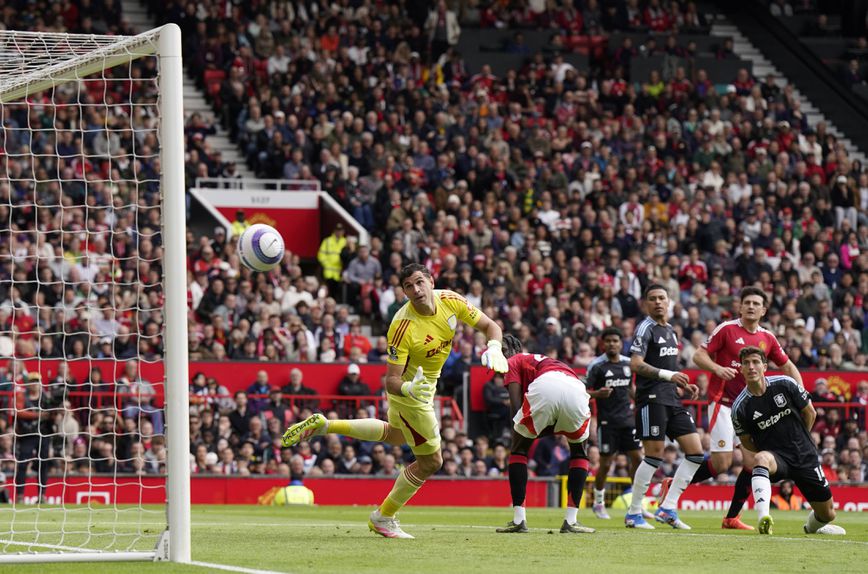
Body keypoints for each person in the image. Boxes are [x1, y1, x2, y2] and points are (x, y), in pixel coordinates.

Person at [281, 263, 508, 538]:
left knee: (397, 436)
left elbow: (489, 325)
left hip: (426, 386)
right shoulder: (402, 326)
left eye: (419, 282)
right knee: (431, 462)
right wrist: (410, 389)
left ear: (431, 281)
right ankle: (384, 516)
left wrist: (494, 346)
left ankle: (326, 426)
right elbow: (390, 380)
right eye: (408, 286)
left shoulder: (451, 300)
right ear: (403, 292)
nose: (416, 290)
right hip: (410, 394)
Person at [689, 286, 804, 530]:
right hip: (723, 402)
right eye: (747, 302)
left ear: (764, 310)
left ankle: (731, 518)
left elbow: (788, 367)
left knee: (752, 465)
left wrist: (802, 393)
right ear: (740, 306)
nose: (751, 306)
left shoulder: (768, 338)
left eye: (756, 303)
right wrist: (717, 369)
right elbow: (698, 356)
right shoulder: (726, 329)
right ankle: (677, 482)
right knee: (722, 464)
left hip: (750, 410)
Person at [732, 346, 845, 535]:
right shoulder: (740, 407)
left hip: (803, 454)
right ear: (741, 369)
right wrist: (765, 450)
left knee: (828, 514)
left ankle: (811, 528)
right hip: (777, 458)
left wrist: (800, 438)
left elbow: (810, 412)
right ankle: (763, 518)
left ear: (764, 367)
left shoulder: (785, 384)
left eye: (755, 362)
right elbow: (746, 441)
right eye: (746, 363)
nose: (751, 367)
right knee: (760, 458)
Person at [495, 335, 596, 534]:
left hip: (547, 386)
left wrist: (526, 434)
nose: (499, 356)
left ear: (515, 348)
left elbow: (515, 410)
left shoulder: (513, 361)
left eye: (502, 350)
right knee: (579, 453)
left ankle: (519, 520)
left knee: (518, 449)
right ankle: (571, 521)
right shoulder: (542, 360)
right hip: (576, 387)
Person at [626, 284, 702, 530]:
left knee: (696, 453)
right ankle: (634, 513)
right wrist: (670, 376)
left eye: (662, 298)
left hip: (672, 398)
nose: (658, 302)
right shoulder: (645, 328)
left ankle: (668, 508)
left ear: (669, 302)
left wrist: (682, 385)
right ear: (646, 304)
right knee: (654, 456)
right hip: (651, 400)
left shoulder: (671, 331)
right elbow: (636, 364)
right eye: (653, 299)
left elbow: (667, 367)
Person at [586, 327, 643, 520]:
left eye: (615, 341)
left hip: (628, 420)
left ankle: (636, 504)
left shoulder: (628, 364)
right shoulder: (597, 366)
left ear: (621, 343)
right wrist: (596, 394)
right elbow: (582, 390)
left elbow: (629, 388)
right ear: (603, 344)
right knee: (606, 464)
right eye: (608, 341)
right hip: (607, 422)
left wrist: (641, 401)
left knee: (638, 459)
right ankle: (599, 502)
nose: (612, 344)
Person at [14, 373, 53, 503]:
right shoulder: (21, 396)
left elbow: (52, 414)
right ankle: (20, 496)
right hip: (27, 435)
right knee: (22, 465)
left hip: (43, 434)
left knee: (43, 465)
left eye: (37, 381)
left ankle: (42, 496)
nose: (34, 384)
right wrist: (39, 415)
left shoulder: (46, 398)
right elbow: (18, 412)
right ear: (27, 383)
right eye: (32, 381)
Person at [317, 223, 348, 301]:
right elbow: (321, 254)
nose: (339, 232)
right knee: (328, 290)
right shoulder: (327, 241)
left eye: (341, 230)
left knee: (338, 291)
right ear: (334, 231)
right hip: (328, 271)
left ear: (343, 232)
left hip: (340, 271)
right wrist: (326, 264)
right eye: (337, 230)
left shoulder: (345, 242)